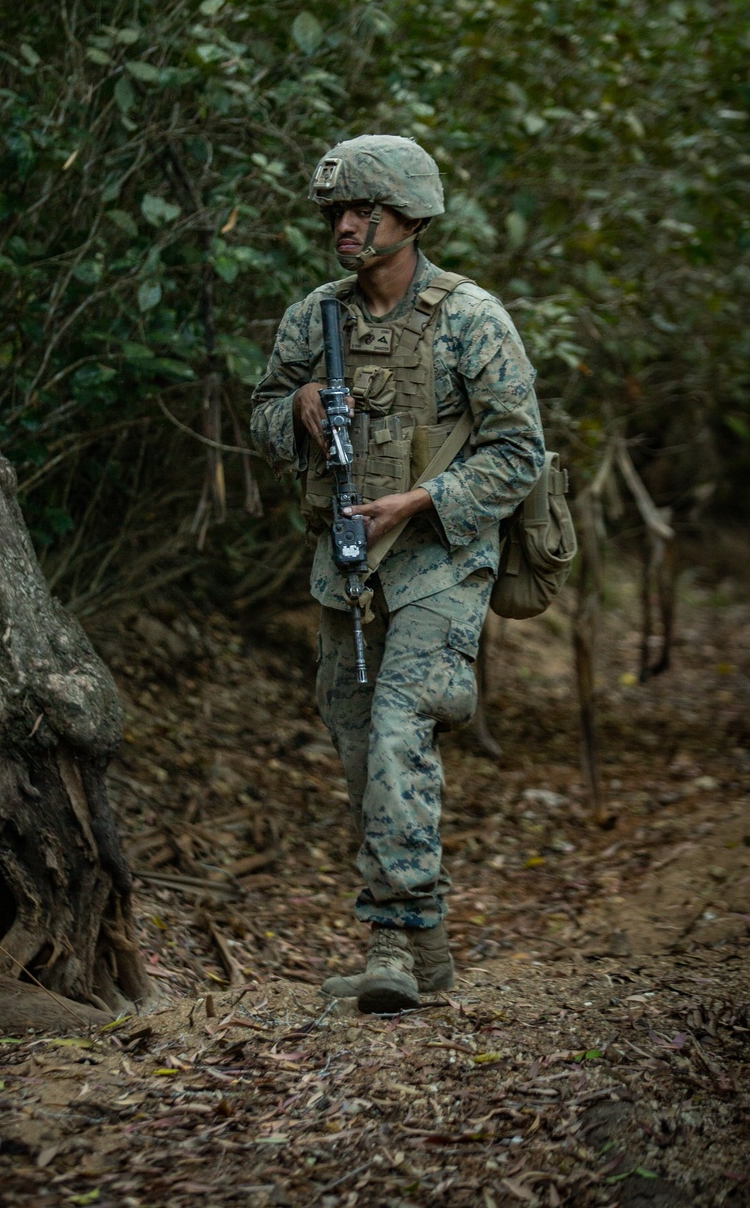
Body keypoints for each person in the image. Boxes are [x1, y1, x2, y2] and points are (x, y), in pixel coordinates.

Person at [250, 135, 545, 1013]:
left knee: (397, 733)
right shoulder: (317, 318)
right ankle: (433, 954)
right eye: (336, 212)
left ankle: (387, 942)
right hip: (346, 565)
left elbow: (518, 452)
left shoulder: (471, 318)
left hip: (441, 563)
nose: (344, 225)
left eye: (361, 211)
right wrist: (297, 409)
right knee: (357, 747)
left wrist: (421, 500)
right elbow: (261, 416)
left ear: (409, 218)